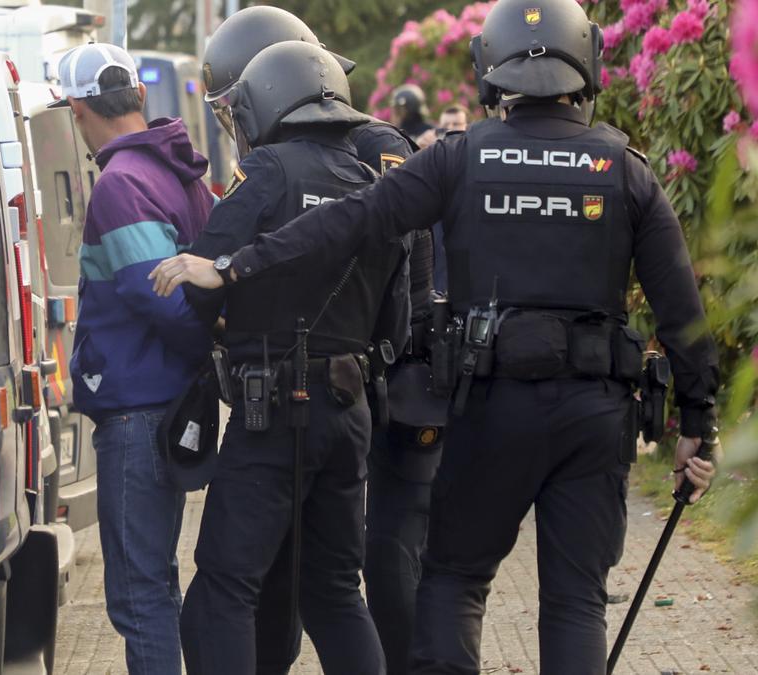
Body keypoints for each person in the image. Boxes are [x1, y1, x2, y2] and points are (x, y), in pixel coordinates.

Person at [150, 0, 720, 671]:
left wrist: (235, 262)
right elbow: (680, 309)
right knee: (574, 603)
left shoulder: (460, 157)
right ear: (589, 63)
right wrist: (697, 423)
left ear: (490, 67)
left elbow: (353, 221)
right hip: (594, 416)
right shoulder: (627, 169)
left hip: (492, 409)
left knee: (453, 580)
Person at [172, 40, 402, 674]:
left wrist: (225, 327)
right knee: (333, 593)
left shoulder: (268, 170)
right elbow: (396, 319)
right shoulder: (374, 183)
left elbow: (201, 273)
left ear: (267, 103)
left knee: (223, 591)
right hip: (349, 409)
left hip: (269, 409)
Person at [52, 42, 214, 674]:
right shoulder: (180, 172)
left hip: (137, 411)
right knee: (158, 579)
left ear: (75, 109)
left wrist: (201, 343)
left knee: (138, 595)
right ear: (140, 96)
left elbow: (164, 300)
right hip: (172, 403)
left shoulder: (120, 183)